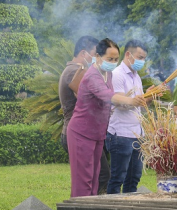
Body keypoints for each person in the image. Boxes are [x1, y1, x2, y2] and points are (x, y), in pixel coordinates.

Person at [67, 38, 146, 198]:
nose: (114, 62)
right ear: (97, 57)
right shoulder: (92, 76)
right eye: (110, 59)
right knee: (84, 181)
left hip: (97, 134)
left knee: (95, 179)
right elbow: (108, 95)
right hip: (81, 133)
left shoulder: (108, 73)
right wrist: (130, 100)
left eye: (116, 59)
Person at [58, 36, 111, 195]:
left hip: (86, 132)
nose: (98, 59)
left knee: (97, 176)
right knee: (93, 178)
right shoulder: (74, 71)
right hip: (79, 132)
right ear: (83, 53)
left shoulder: (79, 71)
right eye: (96, 54)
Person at [106, 40, 154, 194]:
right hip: (121, 133)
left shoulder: (136, 76)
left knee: (134, 178)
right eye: (140, 57)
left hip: (137, 134)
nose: (142, 61)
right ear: (128, 54)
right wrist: (136, 100)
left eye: (144, 58)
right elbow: (119, 102)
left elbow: (137, 103)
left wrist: (150, 96)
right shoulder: (117, 75)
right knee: (117, 178)